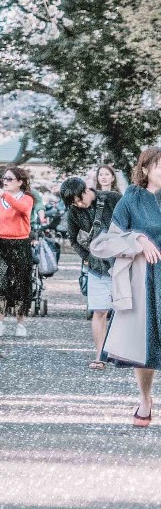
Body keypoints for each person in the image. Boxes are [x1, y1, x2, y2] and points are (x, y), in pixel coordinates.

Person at [94, 145, 161, 425]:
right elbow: (103, 243)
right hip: (144, 280)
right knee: (144, 346)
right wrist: (137, 239)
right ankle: (145, 399)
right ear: (145, 169)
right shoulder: (130, 200)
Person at [64, 175, 116, 368]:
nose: (78, 204)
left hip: (122, 264)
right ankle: (100, 356)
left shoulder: (112, 198)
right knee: (99, 311)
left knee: (126, 312)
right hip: (96, 267)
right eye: (73, 202)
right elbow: (73, 239)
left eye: (79, 199)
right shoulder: (73, 210)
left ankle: (125, 353)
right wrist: (87, 257)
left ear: (86, 190)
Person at [0, 165, 35, 337]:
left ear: (20, 182)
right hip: (1, 243)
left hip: (21, 243)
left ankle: (20, 323)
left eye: (9, 179)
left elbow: (22, 209)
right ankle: (0, 321)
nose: (5, 182)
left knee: (21, 284)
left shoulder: (27, 198)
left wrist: (3, 194)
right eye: (4, 178)